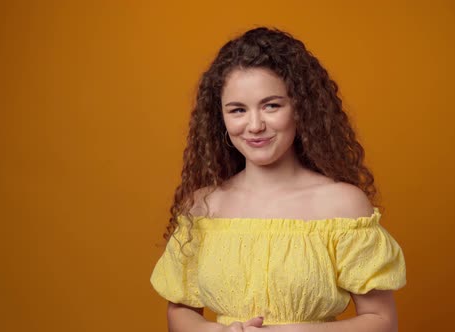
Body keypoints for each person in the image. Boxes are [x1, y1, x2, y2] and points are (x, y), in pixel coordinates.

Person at [150, 27, 406, 332]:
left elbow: (382, 321)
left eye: (271, 105)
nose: (255, 125)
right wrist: (216, 331)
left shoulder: (342, 204)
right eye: (238, 110)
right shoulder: (202, 206)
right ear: (221, 117)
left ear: (300, 108)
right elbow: (179, 311)